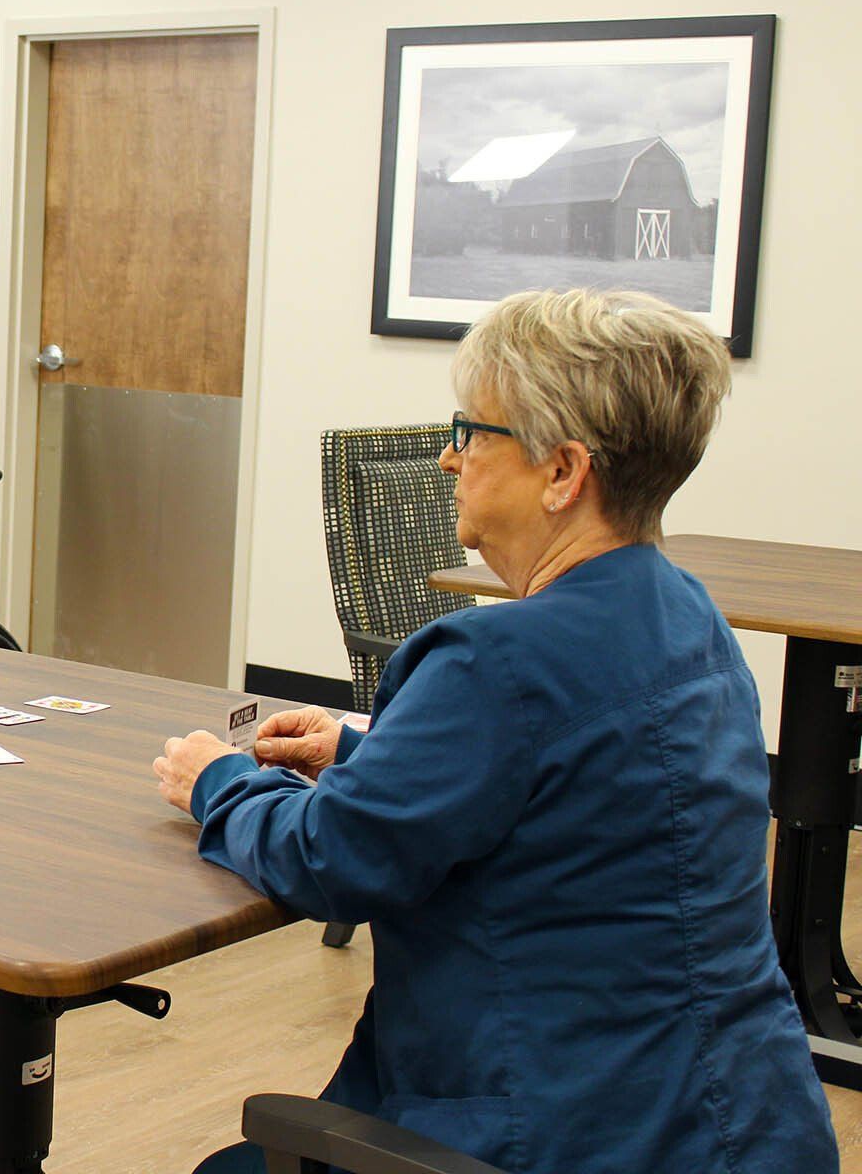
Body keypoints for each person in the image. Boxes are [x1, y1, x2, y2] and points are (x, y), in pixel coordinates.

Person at [153, 290, 837, 1174]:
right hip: (742, 1127)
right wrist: (367, 756)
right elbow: (580, 798)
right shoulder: (688, 613)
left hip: (553, 1137)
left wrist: (219, 780)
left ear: (563, 472)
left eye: (472, 433)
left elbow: (329, 862)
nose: (448, 458)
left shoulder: (495, 660)